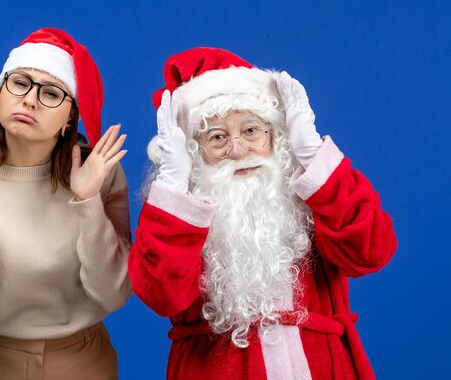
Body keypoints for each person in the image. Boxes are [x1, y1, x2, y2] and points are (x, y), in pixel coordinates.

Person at [128, 47, 397, 380]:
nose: (238, 150)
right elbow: (161, 296)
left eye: (251, 130)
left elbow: (371, 252)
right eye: (217, 137)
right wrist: (174, 187)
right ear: (193, 153)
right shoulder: (176, 215)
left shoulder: (315, 195)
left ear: (277, 135)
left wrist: (315, 160)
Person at [0, 27, 132, 380]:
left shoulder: (100, 175)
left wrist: (87, 201)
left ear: (71, 116)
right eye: (20, 83)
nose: (30, 100)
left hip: (83, 360)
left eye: (51, 92)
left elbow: (113, 294)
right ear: (0, 95)